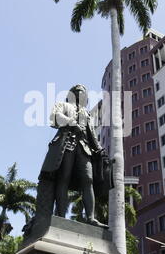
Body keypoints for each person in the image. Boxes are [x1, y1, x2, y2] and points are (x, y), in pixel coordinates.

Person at [29, 84, 110, 231]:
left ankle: (90, 218)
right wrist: (72, 123)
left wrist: (100, 151)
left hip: (84, 148)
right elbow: (55, 117)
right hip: (67, 143)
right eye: (78, 91)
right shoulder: (63, 105)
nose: (81, 93)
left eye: (83, 92)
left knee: (88, 179)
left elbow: (91, 133)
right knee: (63, 178)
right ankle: (60, 215)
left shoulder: (86, 113)